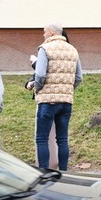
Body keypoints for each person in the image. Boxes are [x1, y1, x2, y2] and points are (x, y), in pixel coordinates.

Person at [26, 23, 83, 171]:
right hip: (66, 101)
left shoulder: (44, 49)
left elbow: (40, 75)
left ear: (51, 33)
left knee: (42, 139)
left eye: (44, 32)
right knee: (62, 139)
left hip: (47, 101)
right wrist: (68, 89)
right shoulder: (73, 50)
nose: (43, 35)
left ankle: (44, 172)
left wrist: (38, 88)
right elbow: (79, 77)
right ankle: (64, 171)